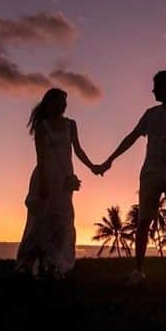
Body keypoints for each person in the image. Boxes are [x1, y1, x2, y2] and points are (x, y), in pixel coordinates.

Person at [99, 70, 166, 293]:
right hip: (150, 174)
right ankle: (138, 271)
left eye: (156, 86)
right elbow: (132, 137)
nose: (152, 90)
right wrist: (110, 160)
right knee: (143, 222)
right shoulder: (150, 114)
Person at [15, 88, 103, 279]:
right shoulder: (42, 126)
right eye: (60, 101)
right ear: (50, 103)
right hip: (45, 176)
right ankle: (29, 263)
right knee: (40, 220)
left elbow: (78, 150)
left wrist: (92, 167)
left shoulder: (71, 124)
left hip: (64, 179)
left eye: (65, 101)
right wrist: (44, 183)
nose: (64, 105)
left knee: (62, 220)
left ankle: (55, 263)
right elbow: (40, 157)